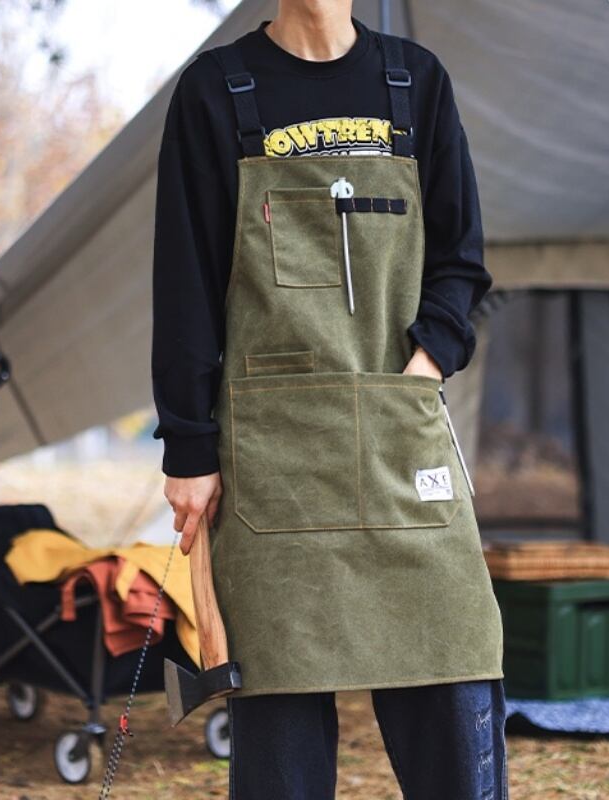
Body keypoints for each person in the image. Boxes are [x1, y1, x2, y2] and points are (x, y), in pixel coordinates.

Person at [151, 2, 509, 798]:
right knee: (281, 740)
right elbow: (184, 287)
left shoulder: (416, 82)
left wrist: (423, 369)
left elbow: (461, 261)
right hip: (269, 466)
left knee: (455, 664)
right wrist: (188, 447)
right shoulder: (214, 89)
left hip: (401, 441)